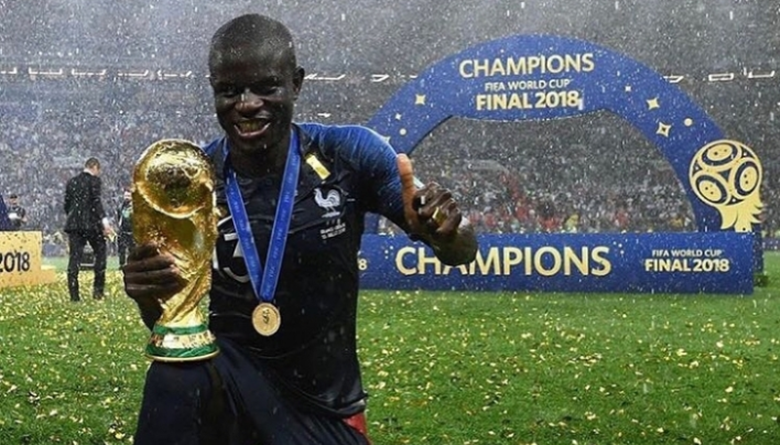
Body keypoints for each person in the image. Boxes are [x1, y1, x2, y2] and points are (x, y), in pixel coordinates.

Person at [122, 13, 478, 445]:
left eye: (266, 87)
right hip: (232, 395)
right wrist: (150, 296)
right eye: (229, 90)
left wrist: (447, 232)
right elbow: (173, 326)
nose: (247, 104)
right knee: (174, 374)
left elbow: (462, 249)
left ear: (296, 84)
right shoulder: (195, 181)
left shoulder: (347, 154)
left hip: (324, 412)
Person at [64, 157, 113, 302]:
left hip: (74, 225)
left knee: (74, 259)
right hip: (92, 225)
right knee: (100, 255)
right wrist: (105, 223)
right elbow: (96, 203)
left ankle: (74, 296)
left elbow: (67, 205)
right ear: (95, 167)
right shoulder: (94, 181)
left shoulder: (72, 181)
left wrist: (74, 217)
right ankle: (98, 291)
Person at [116, 188, 135, 267]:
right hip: (122, 231)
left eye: (128, 196)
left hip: (132, 231)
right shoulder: (121, 206)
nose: (126, 197)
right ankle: (122, 264)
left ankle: (132, 264)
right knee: (121, 249)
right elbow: (119, 218)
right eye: (125, 196)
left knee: (132, 249)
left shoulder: (135, 207)